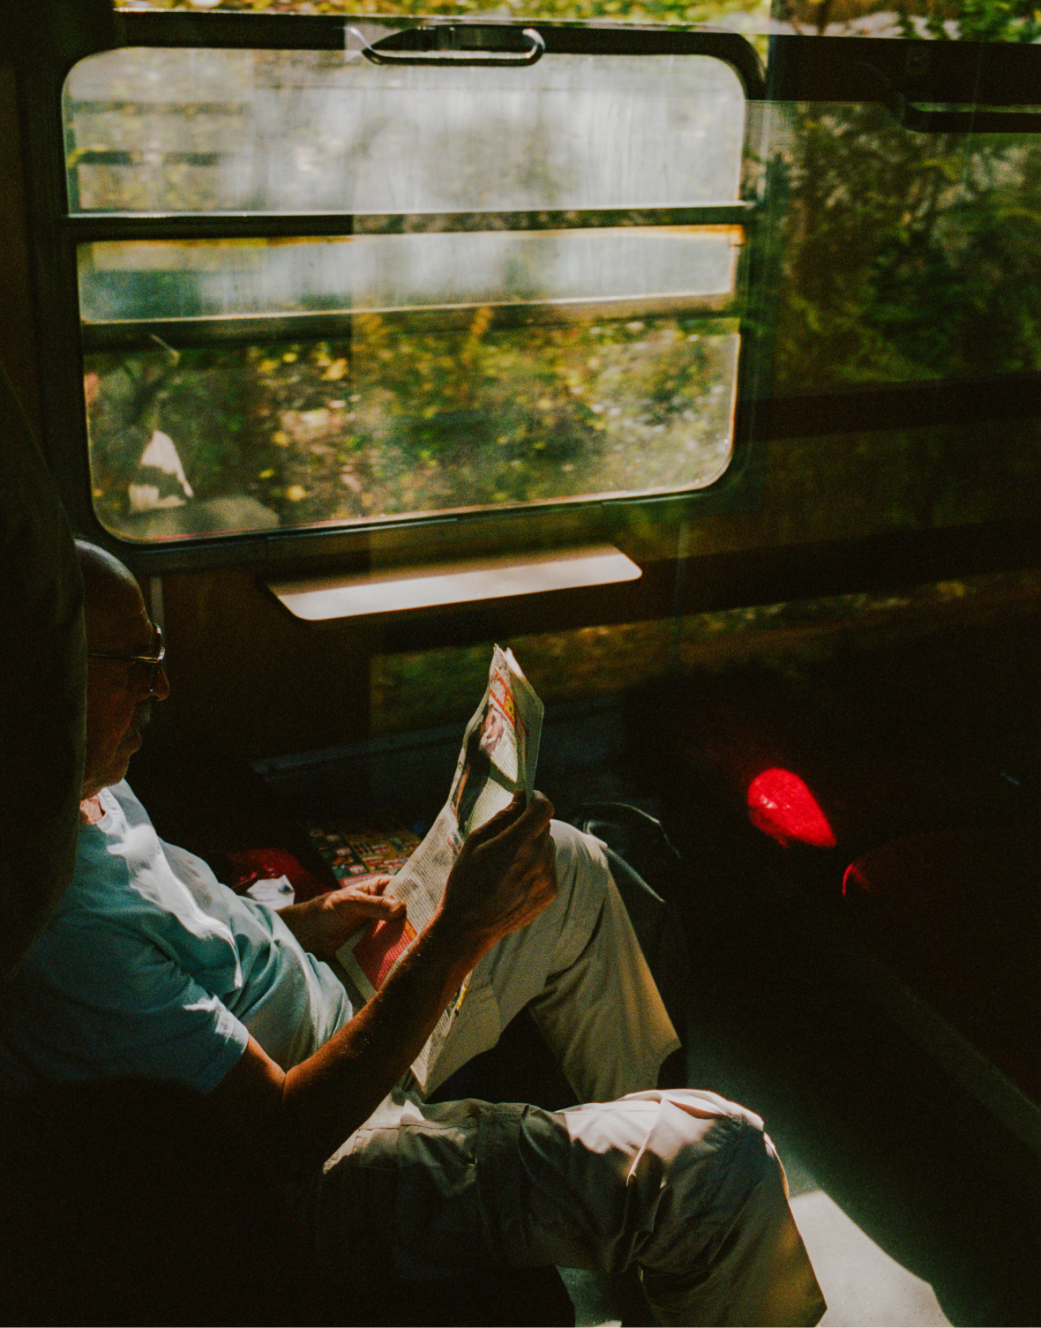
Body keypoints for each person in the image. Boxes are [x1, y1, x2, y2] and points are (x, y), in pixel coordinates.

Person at [0, 539, 826, 1328]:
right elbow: (281, 1138)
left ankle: (644, 1215)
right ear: (49, 680)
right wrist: (461, 929)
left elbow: (189, 930)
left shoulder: (82, 781)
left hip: (325, 1008)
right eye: (137, 667)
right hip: (326, 1155)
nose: (162, 687)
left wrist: (301, 924)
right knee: (721, 1156)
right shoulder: (64, 927)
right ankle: (669, 1194)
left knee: (566, 863)